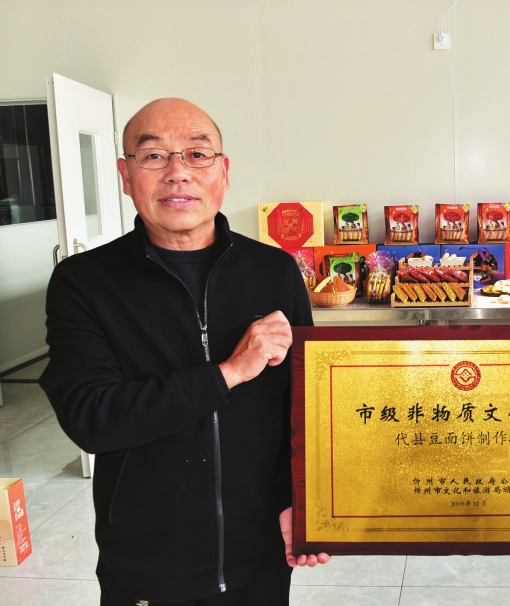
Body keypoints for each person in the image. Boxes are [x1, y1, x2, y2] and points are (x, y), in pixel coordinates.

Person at [39, 98, 329, 605]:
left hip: (261, 553)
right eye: (154, 156)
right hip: (148, 564)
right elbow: (91, 418)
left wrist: (300, 499)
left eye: (197, 154)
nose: (178, 172)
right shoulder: (84, 283)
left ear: (224, 172)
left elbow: (306, 405)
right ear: (125, 176)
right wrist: (228, 372)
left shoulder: (274, 271)